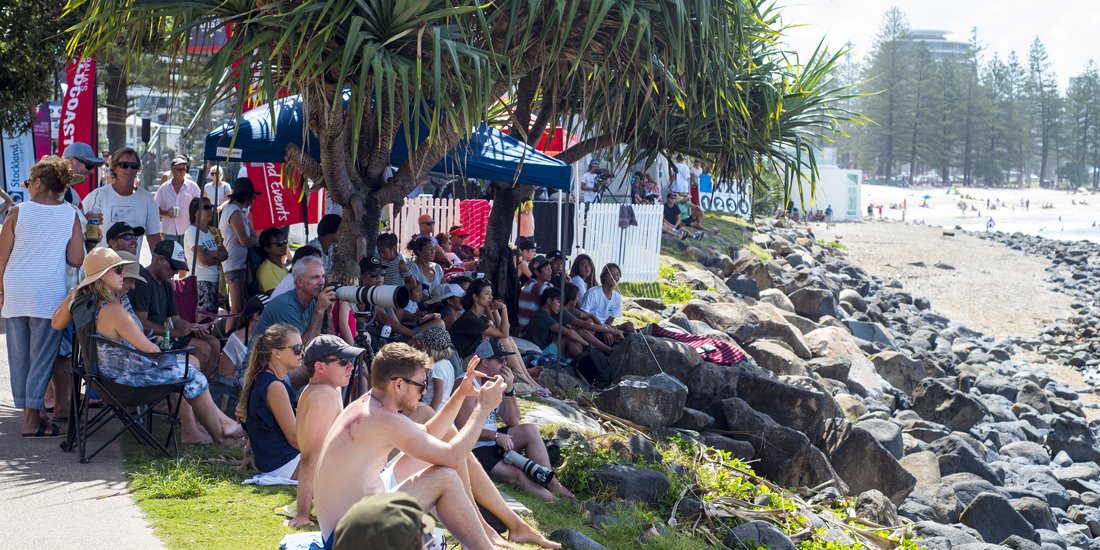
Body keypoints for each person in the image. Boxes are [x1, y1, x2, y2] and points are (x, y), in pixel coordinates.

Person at [312, 342, 507, 549]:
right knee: (445, 477)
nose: (424, 392)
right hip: (350, 539)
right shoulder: (383, 419)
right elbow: (454, 457)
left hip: (343, 530)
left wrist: (460, 394)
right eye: (422, 384)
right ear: (398, 384)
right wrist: (484, 407)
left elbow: (429, 433)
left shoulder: (368, 406)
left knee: (440, 463)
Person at [52, 247, 243, 445]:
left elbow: (56, 323)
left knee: (189, 370)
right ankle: (220, 434)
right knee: (191, 374)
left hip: (105, 377)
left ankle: (225, 426)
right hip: (125, 381)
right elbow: (149, 350)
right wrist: (169, 357)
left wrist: (75, 293)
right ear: (101, 276)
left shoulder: (89, 305)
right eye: (118, 270)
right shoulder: (115, 310)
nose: (124, 275)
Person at [0, 156, 85, 437]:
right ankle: (32, 420)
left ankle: (30, 415)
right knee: (42, 358)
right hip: (48, 293)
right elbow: (75, 259)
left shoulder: (16, 212)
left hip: (15, 290)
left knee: (20, 356)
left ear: (37, 183)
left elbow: (1, 259)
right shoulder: (70, 214)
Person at [456, 339, 575, 501]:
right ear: (485, 362)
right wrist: (496, 437)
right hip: (472, 447)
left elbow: (513, 421)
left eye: (505, 360)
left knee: (530, 430)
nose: (505, 364)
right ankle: (557, 503)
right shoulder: (468, 384)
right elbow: (464, 429)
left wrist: (510, 388)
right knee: (517, 475)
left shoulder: (496, 382)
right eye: (500, 360)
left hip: (493, 439)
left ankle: (553, 484)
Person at [287, 334, 363, 527]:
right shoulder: (324, 396)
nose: (351, 367)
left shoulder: (329, 390)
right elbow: (311, 456)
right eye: (344, 361)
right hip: (335, 497)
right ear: (320, 367)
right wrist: (303, 513)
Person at [129, 240, 221, 377]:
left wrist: (191, 326)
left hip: (165, 336)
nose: (176, 272)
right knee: (203, 349)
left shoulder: (165, 283)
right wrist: (173, 332)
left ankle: (202, 388)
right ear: (160, 260)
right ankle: (186, 393)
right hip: (152, 340)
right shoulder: (143, 282)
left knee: (214, 343)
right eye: (174, 267)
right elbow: (140, 324)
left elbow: (175, 318)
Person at [449, 279, 545, 394]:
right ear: (475, 297)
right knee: (504, 340)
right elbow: (503, 333)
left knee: (507, 340)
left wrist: (494, 311)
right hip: (461, 362)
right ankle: (527, 382)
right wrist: (503, 308)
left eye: (491, 293)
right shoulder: (470, 318)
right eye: (486, 293)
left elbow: (502, 330)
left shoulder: (479, 318)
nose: (490, 297)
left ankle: (529, 381)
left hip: (471, 358)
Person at [253, 256, 336, 381]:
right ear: (299, 282)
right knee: (322, 370)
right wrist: (319, 311)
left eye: (323, 276)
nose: (322, 282)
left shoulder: (314, 301)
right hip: (261, 368)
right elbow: (303, 348)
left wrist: (328, 314)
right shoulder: (286, 306)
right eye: (315, 277)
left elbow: (329, 343)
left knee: (337, 365)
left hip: (285, 359)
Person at [238, 323, 304, 479]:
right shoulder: (274, 387)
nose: (301, 353)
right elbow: (295, 439)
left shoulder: (263, 378)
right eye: (296, 349)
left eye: (302, 347)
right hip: (285, 465)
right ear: (276, 353)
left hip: (278, 463)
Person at [82, 146, 162, 254]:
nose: (129, 169)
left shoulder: (147, 200)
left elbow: (154, 239)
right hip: (100, 268)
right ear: (114, 168)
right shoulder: (96, 196)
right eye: (124, 165)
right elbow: (76, 230)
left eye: (134, 166)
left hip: (131, 268)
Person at [219, 177, 260, 331]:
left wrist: (254, 239)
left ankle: (231, 337)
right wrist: (255, 241)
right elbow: (246, 240)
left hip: (237, 264)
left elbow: (252, 236)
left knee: (240, 307)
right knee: (236, 308)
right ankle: (227, 339)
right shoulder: (234, 211)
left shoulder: (236, 211)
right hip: (234, 264)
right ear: (248, 196)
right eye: (253, 196)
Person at [183, 197, 228, 319]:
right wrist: (217, 256)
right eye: (206, 207)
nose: (211, 210)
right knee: (202, 321)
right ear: (196, 212)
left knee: (211, 318)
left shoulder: (212, 231)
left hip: (215, 281)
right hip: (201, 282)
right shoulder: (192, 231)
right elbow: (204, 260)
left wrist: (212, 253)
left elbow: (225, 254)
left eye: (212, 207)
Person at [580, 263, 633, 344]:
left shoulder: (617, 297)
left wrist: (608, 330)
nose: (615, 277)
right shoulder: (593, 293)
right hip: (592, 327)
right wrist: (603, 329)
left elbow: (609, 322)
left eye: (618, 275)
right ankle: (591, 349)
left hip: (606, 327)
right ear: (604, 276)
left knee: (629, 326)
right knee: (589, 321)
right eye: (612, 274)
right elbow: (583, 316)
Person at [525, 288, 584, 358]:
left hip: (543, 348)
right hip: (538, 354)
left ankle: (583, 359)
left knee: (571, 335)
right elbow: (569, 333)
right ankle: (584, 359)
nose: (560, 306)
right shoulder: (542, 316)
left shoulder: (545, 314)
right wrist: (587, 345)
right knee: (568, 337)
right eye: (559, 302)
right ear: (549, 301)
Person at [155, 156, 202, 244]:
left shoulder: (193, 187)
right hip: (169, 231)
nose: (182, 172)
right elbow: (154, 207)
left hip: (187, 229)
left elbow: (201, 205)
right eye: (179, 169)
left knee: (187, 257)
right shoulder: (164, 188)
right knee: (170, 256)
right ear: (172, 170)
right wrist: (166, 213)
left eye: (184, 169)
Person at [415, 327, 457, 411]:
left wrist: (429, 415)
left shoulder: (436, 367)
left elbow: (438, 396)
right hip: (442, 409)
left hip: (434, 409)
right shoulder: (447, 363)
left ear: (429, 348)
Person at [61, 141, 105, 206]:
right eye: (89, 165)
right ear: (71, 161)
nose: (92, 172)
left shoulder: (66, 188)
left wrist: (84, 216)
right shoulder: (56, 189)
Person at [517, 255, 552, 332]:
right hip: (528, 332)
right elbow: (556, 296)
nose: (550, 270)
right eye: (546, 268)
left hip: (536, 328)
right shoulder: (533, 286)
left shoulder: (544, 284)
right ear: (537, 272)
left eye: (550, 267)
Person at [256, 227, 290, 293]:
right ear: (267, 248)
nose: (284, 245)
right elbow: (276, 297)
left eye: (285, 241)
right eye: (279, 243)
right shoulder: (265, 269)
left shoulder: (283, 268)